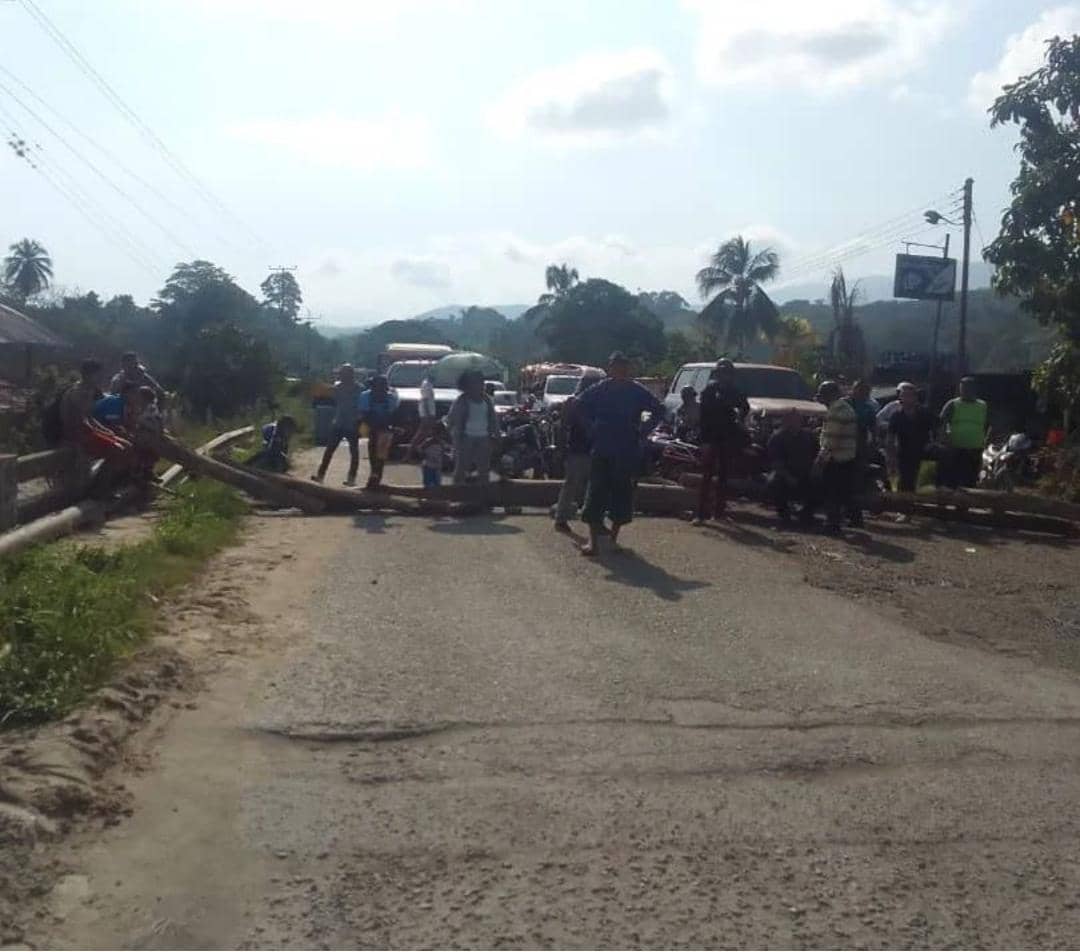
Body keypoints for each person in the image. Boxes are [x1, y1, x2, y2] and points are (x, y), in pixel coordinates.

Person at [576, 351, 663, 556]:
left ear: (628, 369)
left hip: (626, 448)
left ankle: (613, 540)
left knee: (622, 494)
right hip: (602, 446)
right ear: (610, 368)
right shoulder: (601, 388)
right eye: (616, 367)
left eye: (624, 367)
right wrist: (589, 427)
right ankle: (593, 542)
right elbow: (578, 404)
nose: (620, 370)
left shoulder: (636, 391)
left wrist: (643, 431)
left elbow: (659, 410)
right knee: (595, 492)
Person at [61, 358, 134, 490]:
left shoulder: (89, 390)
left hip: (87, 431)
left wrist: (106, 431)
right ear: (88, 374)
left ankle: (113, 482)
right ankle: (100, 489)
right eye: (97, 374)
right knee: (117, 449)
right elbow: (82, 422)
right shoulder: (78, 392)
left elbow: (90, 417)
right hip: (77, 435)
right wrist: (104, 433)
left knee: (127, 445)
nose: (100, 377)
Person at [695, 358, 749, 524]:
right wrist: (704, 440)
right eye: (722, 372)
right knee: (707, 476)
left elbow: (745, 407)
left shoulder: (735, 391)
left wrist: (739, 417)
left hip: (728, 437)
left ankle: (719, 513)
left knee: (724, 477)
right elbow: (703, 417)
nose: (724, 376)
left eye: (727, 373)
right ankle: (700, 514)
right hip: (711, 437)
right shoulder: (710, 391)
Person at [553, 374, 601, 532]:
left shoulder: (598, 403)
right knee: (572, 484)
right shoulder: (573, 402)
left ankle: (595, 521)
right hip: (577, 448)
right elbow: (563, 426)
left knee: (594, 487)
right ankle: (561, 518)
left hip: (594, 448)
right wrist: (560, 448)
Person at [816, 380, 861, 533]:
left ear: (831, 394)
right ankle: (845, 519)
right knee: (840, 491)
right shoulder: (842, 408)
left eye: (823, 393)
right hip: (846, 456)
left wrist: (820, 460)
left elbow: (831, 441)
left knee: (832, 491)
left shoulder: (837, 411)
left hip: (837, 457)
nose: (819, 396)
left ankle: (832, 524)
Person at [767, 407, 820, 524]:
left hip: (806, 473)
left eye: (797, 419)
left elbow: (818, 454)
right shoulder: (777, 438)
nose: (794, 422)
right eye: (791, 419)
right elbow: (776, 462)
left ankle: (806, 513)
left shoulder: (809, 436)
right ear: (785, 421)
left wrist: (816, 469)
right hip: (785, 473)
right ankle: (784, 514)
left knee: (822, 482)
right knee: (774, 482)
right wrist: (788, 476)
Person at [447, 370, 499, 486]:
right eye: (477, 382)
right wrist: (450, 434)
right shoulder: (462, 400)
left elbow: (493, 419)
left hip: (483, 437)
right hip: (466, 438)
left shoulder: (487, 399)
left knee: (484, 469)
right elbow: (452, 418)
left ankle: (482, 496)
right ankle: (456, 492)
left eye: (482, 382)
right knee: (461, 468)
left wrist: (497, 434)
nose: (481, 385)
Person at [313, 364, 362, 486]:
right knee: (329, 450)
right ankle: (320, 475)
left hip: (352, 423)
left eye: (343, 374)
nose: (342, 376)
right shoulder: (338, 387)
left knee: (354, 452)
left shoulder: (359, 389)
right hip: (339, 422)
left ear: (350, 375)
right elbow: (326, 393)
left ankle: (351, 478)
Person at [887, 381, 939, 492]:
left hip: (924, 452)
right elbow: (890, 438)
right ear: (900, 397)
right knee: (905, 484)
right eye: (904, 395)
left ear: (915, 397)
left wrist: (933, 443)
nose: (907, 398)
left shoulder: (925, 413)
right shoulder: (896, 416)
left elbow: (937, 429)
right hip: (905, 454)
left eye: (910, 395)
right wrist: (891, 458)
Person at [939, 376, 988, 488]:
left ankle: (965, 505)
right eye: (962, 388)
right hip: (956, 448)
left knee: (970, 481)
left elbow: (988, 425)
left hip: (975, 449)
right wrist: (945, 439)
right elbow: (941, 424)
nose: (964, 391)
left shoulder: (983, 405)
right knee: (953, 481)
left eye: (967, 388)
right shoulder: (952, 404)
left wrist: (985, 441)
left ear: (974, 389)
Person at [358, 374, 399, 490]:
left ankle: (375, 477)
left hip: (384, 428)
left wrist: (391, 428)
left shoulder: (391, 398)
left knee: (380, 455)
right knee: (374, 451)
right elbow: (364, 415)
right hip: (370, 426)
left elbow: (393, 415)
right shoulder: (365, 397)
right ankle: (375, 475)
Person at [419, 421, 448, 489]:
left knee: (437, 483)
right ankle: (426, 495)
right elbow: (420, 449)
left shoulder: (442, 443)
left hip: (437, 466)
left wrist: (445, 458)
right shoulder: (428, 442)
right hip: (428, 466)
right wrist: (425, 456)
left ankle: (436, 496)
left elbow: (443, 453)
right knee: (428, 483)